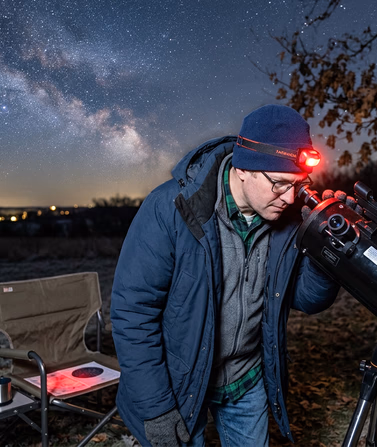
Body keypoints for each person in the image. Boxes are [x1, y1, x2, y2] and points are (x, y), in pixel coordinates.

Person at [110, 105, 341, 447]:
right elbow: (133, 313)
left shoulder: (287, 218)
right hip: (177, 386)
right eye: (279, 184)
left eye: (298, 185)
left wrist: (326, 253)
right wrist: (156, 409)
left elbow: (306, 298)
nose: (290, 197)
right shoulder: (171, 208)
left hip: (246, 379)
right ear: (244, 168)